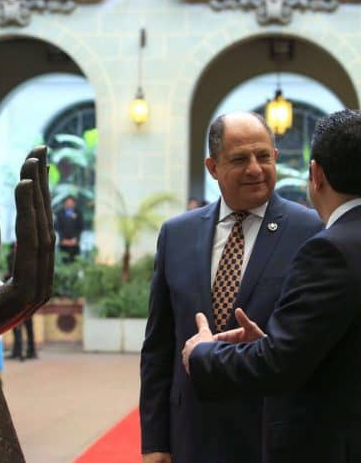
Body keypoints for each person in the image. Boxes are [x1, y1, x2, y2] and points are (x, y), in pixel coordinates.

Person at [182, 110, 361, 463]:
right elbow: (347, 355)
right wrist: (275, 343)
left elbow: (278, 366)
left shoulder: (330, 249)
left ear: (316, 175)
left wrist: (203, 354)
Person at [140, 111, 323, 463]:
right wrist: (155, 440)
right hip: (192, 432)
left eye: (264, 156)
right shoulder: (177, 235)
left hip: (271, 434)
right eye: (240, 159)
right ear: (212, 167)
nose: (255, 169)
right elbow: (158, 347)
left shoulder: (311, 232)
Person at [54, 195, 83, 263]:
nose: (69, 204)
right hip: (63, 244)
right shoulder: (59, 213)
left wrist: (76, 239)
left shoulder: (78, 212)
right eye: (68, 203)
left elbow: (80, 227)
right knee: (63, 261)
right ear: (65, 204)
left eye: (71, 203)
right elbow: (57, 228)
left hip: (75, 244)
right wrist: (62, 240)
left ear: (74, 203)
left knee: (75, 262)